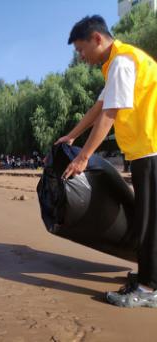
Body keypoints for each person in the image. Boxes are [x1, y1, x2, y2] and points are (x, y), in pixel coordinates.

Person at [56, 15, 157, 307]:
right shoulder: (117, 63)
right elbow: (99, 107)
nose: (81, 56)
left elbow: (110, 114)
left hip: (150, 148)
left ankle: (149, 289)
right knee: (146, 217)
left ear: (97, 39)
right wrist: (72, 136)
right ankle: (149, 275)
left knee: (149, 221)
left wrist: (84, 157)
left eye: (81, 49)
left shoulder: (122, 63)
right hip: (145, 149)